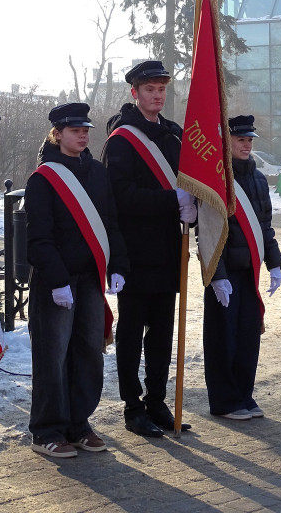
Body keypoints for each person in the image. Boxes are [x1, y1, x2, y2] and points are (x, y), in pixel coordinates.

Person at [25, 103, 129, 457]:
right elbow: (39, 237)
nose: (83, 135)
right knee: (52, 356)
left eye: (85, 129)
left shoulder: (98, 173)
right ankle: (46, 430)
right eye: (74, 130)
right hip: (56, 282)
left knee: (89, 353)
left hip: (89, 279)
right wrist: (56, 280)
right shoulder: (42, 179)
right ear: (57, 134)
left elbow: (112, 223)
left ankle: (78, 423)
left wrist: (118, 265)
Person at [102, 61, 196, 437]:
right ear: (134, 93)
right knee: (131, 333)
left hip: (168, 248)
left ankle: (157, 401)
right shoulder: (122, 140)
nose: (157, 96)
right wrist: (172, 200)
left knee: (162, 330)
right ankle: (132, 406)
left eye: (161, 89)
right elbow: (120, 198)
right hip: (135, 250)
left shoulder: (173, 137)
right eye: (149, 90)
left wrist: (191, 201)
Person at [204, 116, 281, 419]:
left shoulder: (259, 179)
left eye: (249, 140)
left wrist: (274, 263)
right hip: (223, 273)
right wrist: (218, 276)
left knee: (248, 335)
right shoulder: (216, 180)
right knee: (223, 338)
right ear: (227, 143)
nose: (247, 145)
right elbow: (211, 232)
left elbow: (264, 226)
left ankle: (244, 395)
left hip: (249, 269)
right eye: (240, 140)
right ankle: (225, 401)